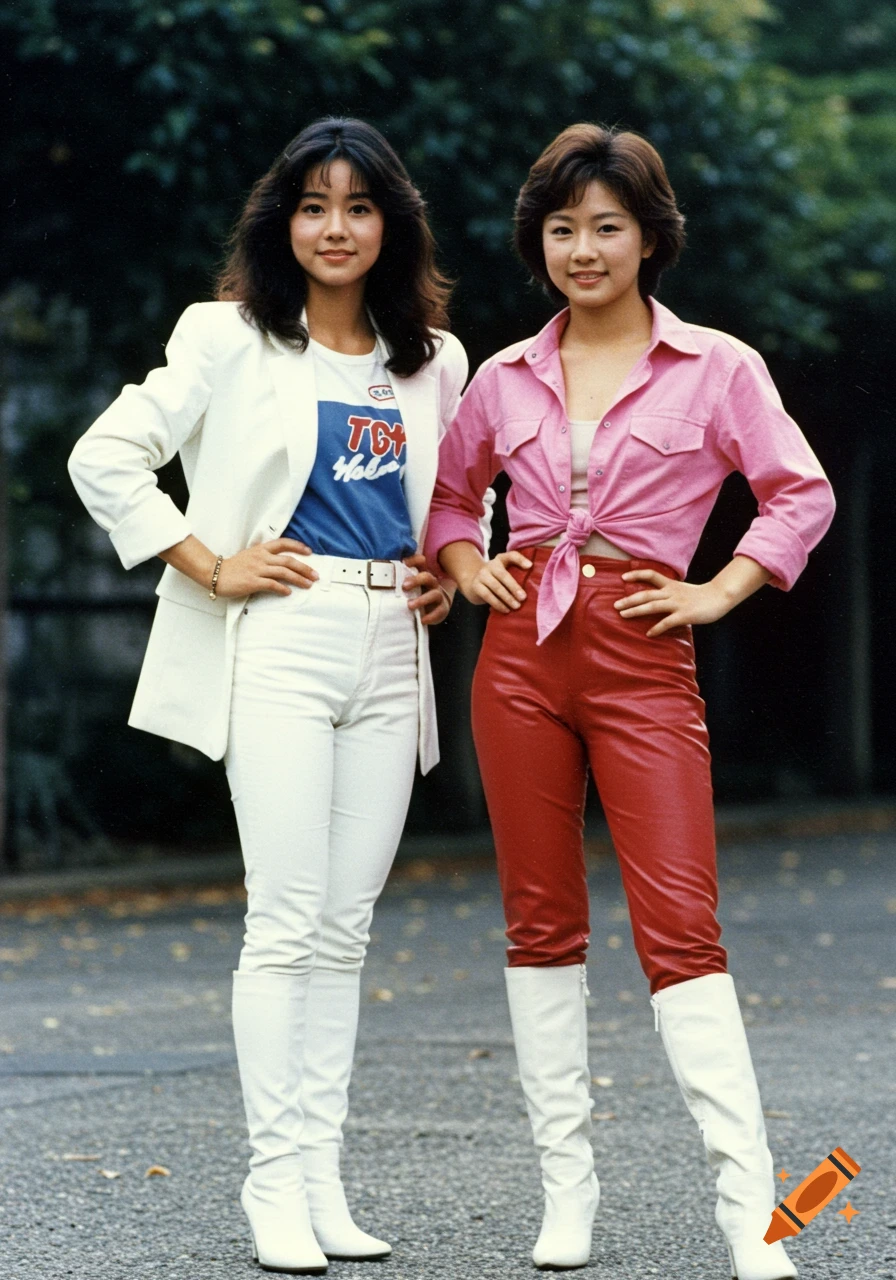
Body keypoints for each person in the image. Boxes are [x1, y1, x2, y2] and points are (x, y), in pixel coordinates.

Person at [69, 117, 491, 1276]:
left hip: (390, 645)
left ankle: (319, 1180)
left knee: (345, 930)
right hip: (282, 638)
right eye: (313, 205)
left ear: (391, 223)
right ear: (282, 221)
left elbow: (461, 494)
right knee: (287, 919)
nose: (335, 227)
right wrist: (208, 563)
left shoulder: (433, 359)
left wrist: (445, 565)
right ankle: (272, 1182)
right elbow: (105, 456)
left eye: (358, 206)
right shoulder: (226, 336)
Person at [427, 123, 835, 1277]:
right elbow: (451, 500)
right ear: (538, 242)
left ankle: (750, 1212)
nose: (582, 249)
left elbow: (797, 493)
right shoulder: (502, 375)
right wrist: (465, 564)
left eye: (605, 226)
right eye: (561, 228)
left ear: (648, 237)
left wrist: (716, 590)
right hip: (518, 656)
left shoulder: (716, 367)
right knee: (539, 923)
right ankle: (566, 1196)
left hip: (644, 651)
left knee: (680, 927)